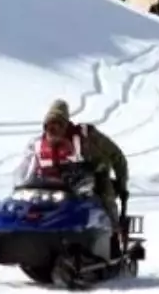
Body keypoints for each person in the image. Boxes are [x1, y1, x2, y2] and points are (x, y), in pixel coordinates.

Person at [32, 99, 130, 244]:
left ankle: (113, 237)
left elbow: (116, 155)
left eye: (58, 124)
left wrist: (122, 183)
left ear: (65, 125)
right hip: (53, 186)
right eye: (49, 126)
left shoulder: (85, 136)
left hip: (90, 180)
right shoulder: (38, 145)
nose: (53, 130)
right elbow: (29, 169)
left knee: (104, 195)